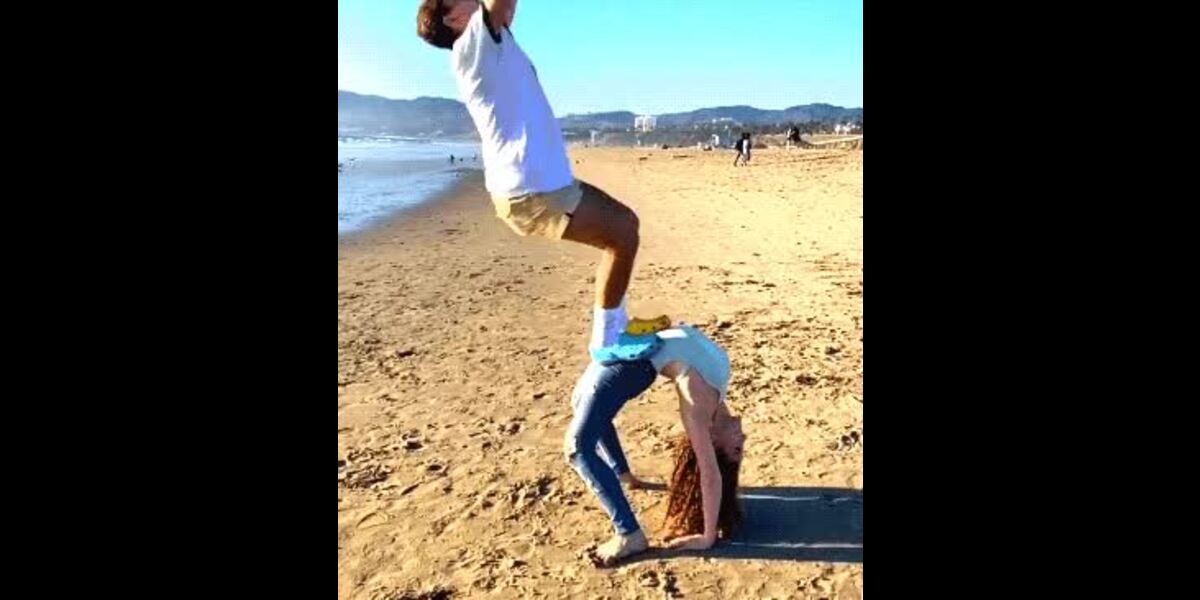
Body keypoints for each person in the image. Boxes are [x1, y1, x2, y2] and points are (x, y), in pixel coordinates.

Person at [418, 0, 658, 360]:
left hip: (537, 184)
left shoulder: (492, 44)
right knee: (623, 232)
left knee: (624, 229)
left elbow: (505, 8)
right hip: (533, 189)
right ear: (453, 18)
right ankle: (609, 337)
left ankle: (615, 326)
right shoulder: (472, 45)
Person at [565, 323, 746, 566]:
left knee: (577, 448)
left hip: (634, 363)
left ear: (714, 442)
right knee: (582, 406)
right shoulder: (718, 389)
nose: (743, 439)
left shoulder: (697, 412)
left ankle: (629, 534)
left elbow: (710, 473)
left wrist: (708, 537)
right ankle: (623, 475)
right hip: (628, 345)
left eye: (736, 449)